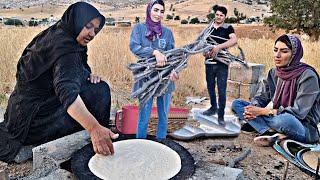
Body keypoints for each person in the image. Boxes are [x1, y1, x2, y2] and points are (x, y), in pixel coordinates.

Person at [0, 2, 118, 163]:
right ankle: (99, 139)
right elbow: (67, 91)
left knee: (94, 86)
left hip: (18, 114)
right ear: (76, 21)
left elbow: (65, 72)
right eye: (88, 26)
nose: (92, 33)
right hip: (31, 123)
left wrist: (87, 75)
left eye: (95, 29)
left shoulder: (58, 34)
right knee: (100, 91)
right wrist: (94, 128)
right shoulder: (66, 49)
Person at [232, 34, 320, 146]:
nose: (277, 55)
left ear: (294, 55)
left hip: (301, 125)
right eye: (275, 50)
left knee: (285, 120)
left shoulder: (308, 76)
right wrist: (253, 110)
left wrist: (262, 112)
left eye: (284, 51)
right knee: (237, 104)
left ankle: (263, 127)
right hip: (276, 115)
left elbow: (298, 113)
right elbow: (261, 97)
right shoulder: (274, 73)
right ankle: (269, 131)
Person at [129, 0, 179, 140]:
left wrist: (174, 71)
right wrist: (154, 52)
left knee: (163, 116)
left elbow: (172, 55)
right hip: (146, 78)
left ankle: (161, 144)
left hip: (165, 78)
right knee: (144, 117)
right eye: (156, 10)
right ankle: (140, 145)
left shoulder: (167, 33)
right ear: (149, 10)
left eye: (162, 11)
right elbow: (135, 47)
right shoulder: (139, 29)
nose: (159, 14)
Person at [202, 5, 238, 126]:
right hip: (209, 63)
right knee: (210, 87)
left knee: (221, 90)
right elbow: (203, 43)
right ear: (215, 15)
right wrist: (205, 52)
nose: (218, 17)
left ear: (224, 17)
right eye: (217, 14)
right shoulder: (209, 28)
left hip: (222, 63)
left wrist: (218, 47)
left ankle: (221, 116)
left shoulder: (228, 27)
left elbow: (233, 40)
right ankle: (213, 107)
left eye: (221, 15)